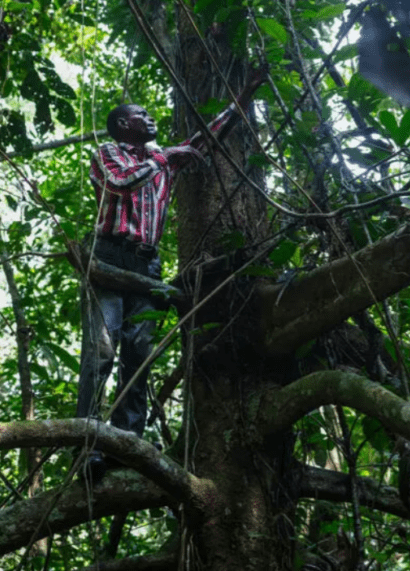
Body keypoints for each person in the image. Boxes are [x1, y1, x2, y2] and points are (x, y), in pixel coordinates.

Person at [77, 71, 266, 481]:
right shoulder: (110, 153)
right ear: (125, 124)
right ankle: (86, 445)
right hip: (108, 257)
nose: (150, 119)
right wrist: (164, 157)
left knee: (138, 352)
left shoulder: (158, 160)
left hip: (146, 264)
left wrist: (243, 96)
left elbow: (202, 141)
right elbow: (120, 183)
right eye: (141, 115)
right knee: (101, 353)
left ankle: (127, 442)